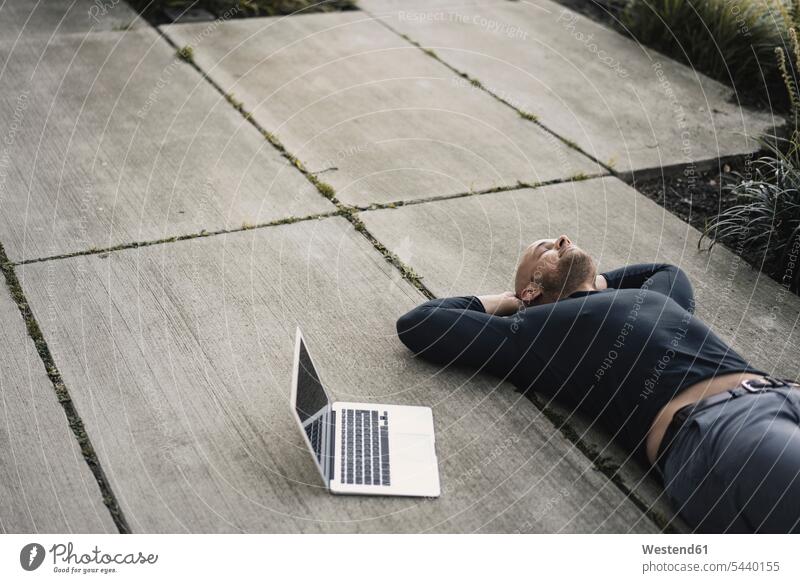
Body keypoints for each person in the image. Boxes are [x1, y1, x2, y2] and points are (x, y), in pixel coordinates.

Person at [396, 234, 800, 533]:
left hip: (782, 393)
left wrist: (591, 282)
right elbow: (420, 324)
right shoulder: (533, 331)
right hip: (722, 429)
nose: (562, 239)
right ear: (532, 289)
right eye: (545, 250)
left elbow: (666, 271)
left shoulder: (654, 298)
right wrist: (509, 301)